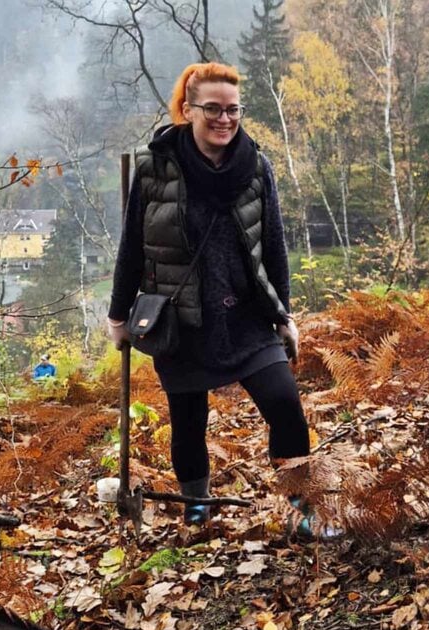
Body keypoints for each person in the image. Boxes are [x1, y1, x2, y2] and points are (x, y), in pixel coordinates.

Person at [106, 62, 317, 530]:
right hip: (181, 320)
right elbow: (132, 248)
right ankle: (196, 508)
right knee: (188, 422)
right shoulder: (156, 168)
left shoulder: (256, 166)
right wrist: (118, 316)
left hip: (246, 317)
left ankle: (300, 508)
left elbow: (274, 245)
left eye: (233, 110)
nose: (224, 119)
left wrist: (284, 315)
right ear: (187, 110)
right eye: (213, 109)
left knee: (285, 405)